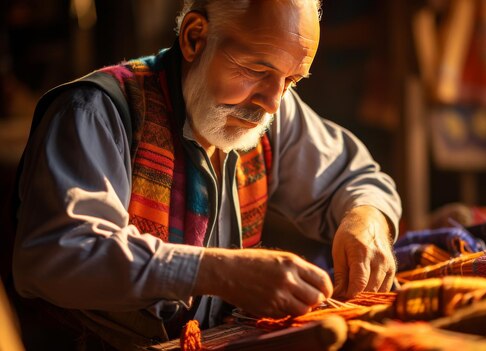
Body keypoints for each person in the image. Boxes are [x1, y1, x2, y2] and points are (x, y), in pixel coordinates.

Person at [9, 0, 401, 349]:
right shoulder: (93, 112)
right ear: (195, 38)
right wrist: (217, 272)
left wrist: (365, 221)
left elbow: (357, 179)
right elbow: (60, 252)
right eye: (256, 68)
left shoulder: (274, 108)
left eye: (292, 80)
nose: (272, 103)